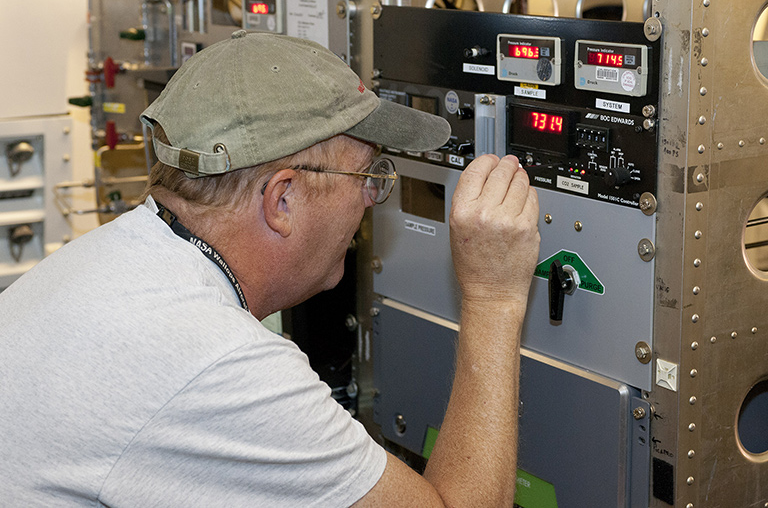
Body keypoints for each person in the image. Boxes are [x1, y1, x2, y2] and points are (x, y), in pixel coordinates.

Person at [0, 31, 540, 507]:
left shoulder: (111, 261)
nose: (372, 200)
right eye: (368, 176)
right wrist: (494, 296)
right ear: (282, 199)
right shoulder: (217, 362)